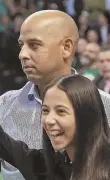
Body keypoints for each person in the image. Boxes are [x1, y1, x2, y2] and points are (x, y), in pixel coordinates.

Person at [0, 10, 110, 180]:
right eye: (21, 45)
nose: (22, 54)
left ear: (66, 47)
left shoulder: (106, 105)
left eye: (34, 45)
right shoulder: (4, 104)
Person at [0, 75, 109, 180]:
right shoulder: (46, 166)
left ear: (86, 114)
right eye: (45, 111)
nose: (48, 120)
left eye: (61, 111)